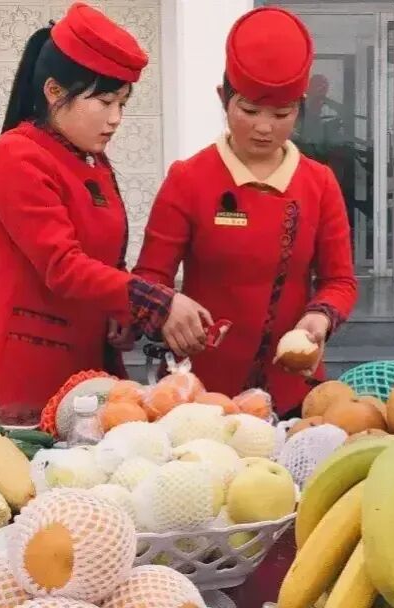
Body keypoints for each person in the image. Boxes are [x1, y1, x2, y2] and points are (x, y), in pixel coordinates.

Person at [0, 2, 211, 410]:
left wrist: (122, 312)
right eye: (104, 101)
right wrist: (155, 303)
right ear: (54, 92)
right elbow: (62, 265)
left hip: (91, 371)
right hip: (30, 379)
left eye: (122, 104)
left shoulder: (92, 162)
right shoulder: (14, 156)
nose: (116, 118)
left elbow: (103, 259)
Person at [133, 7, 358, 417]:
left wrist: (319, 317)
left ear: (300, 108)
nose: (264, 127)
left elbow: (339, 281)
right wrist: (166, 310)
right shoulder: (188, 178)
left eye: (282, 114)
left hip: (293, 394)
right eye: (249, 110)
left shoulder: (319, 183)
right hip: (199, 395)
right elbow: (149, 277)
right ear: (223, 98)